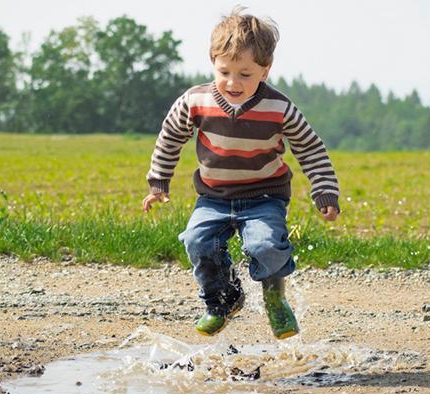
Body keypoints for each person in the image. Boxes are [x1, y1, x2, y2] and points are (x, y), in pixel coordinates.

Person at [142, 7, 341, 339]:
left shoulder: (280, 108)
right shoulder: (195, 101)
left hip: (265, 197)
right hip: (213, 197)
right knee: (197, 241)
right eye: (225, 72)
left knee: (265, 246)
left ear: (265, 70)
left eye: (245, 74)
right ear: (213, 62)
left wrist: (325, 191)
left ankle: (275, 297)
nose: (233, 83)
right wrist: (158, 181)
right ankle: (223, 299)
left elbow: (310, 149)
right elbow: (170, 137)